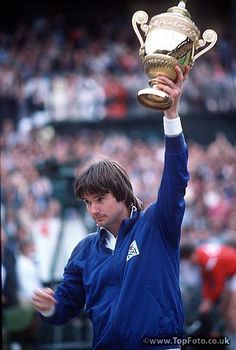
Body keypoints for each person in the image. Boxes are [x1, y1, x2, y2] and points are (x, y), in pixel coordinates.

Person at [32, 66, 189, 350]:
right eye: (87, 202)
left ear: (122, 194)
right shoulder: (83, 250)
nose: (93, 209)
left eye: (100, 199)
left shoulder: (156, 224)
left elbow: (176, 179)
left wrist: (171, 114)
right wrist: (49, 307)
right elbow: (64, 308)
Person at [180, 242, 236, 348]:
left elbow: (219, 284)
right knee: (224, 310)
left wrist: (209, 301)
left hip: (233, 272)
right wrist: (206, 299)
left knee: (231, 311)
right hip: (230, 275)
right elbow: (207, 281)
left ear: (190, 256)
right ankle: (230, 339)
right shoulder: (201, 256)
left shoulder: (208, 260)